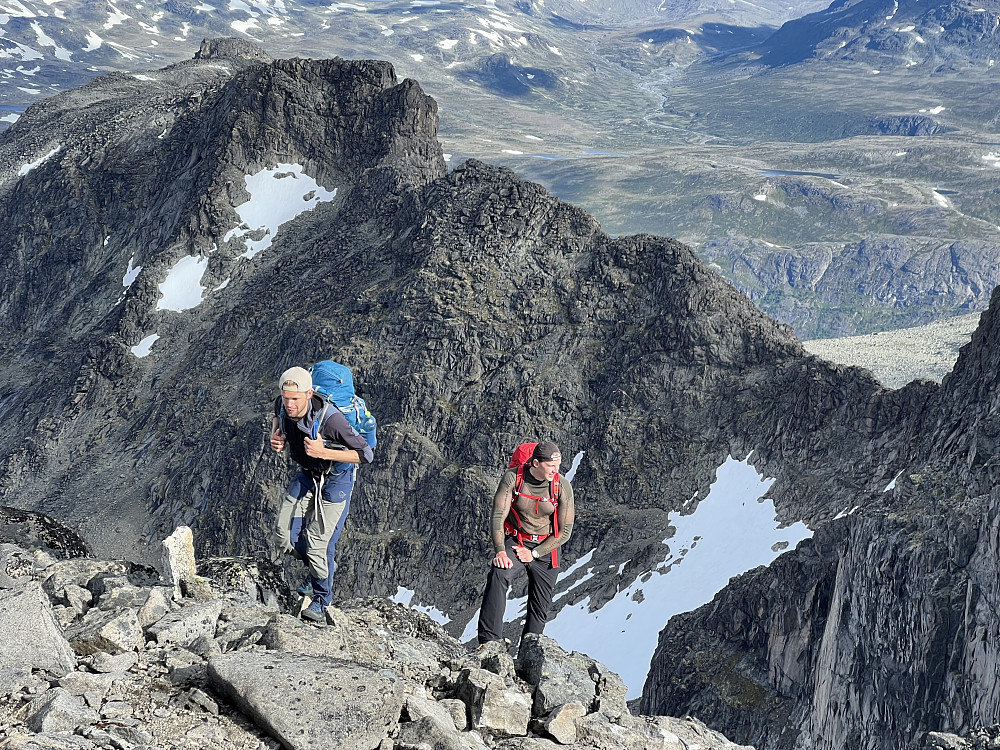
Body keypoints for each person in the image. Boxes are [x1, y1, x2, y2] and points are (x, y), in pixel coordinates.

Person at [269, 366, 374, 622]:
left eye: (295, 399)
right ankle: (324, 567)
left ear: (309, 393)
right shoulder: (282, 405)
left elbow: (366, 454)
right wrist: (276, 433)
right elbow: (276, 414)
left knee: (318, 544)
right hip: (307, 474)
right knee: (284, 537)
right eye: (286, 398)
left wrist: (323, 452)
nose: (290, 404)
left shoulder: (332, 420)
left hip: (336, 480)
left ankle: (320, 601)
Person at [477, 440, 575, 645]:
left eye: (558, 465)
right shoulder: (513, 478)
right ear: (536, 463)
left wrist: (535, 554)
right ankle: (489, 643)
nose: (556, 470)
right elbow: (497, 516)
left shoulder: (562, 485)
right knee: (499, 573)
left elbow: (565, 531)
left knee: (539, 608)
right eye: (552, 466)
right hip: (518, 541)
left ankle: (529, 655)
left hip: (547, 548)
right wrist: (501, 551)